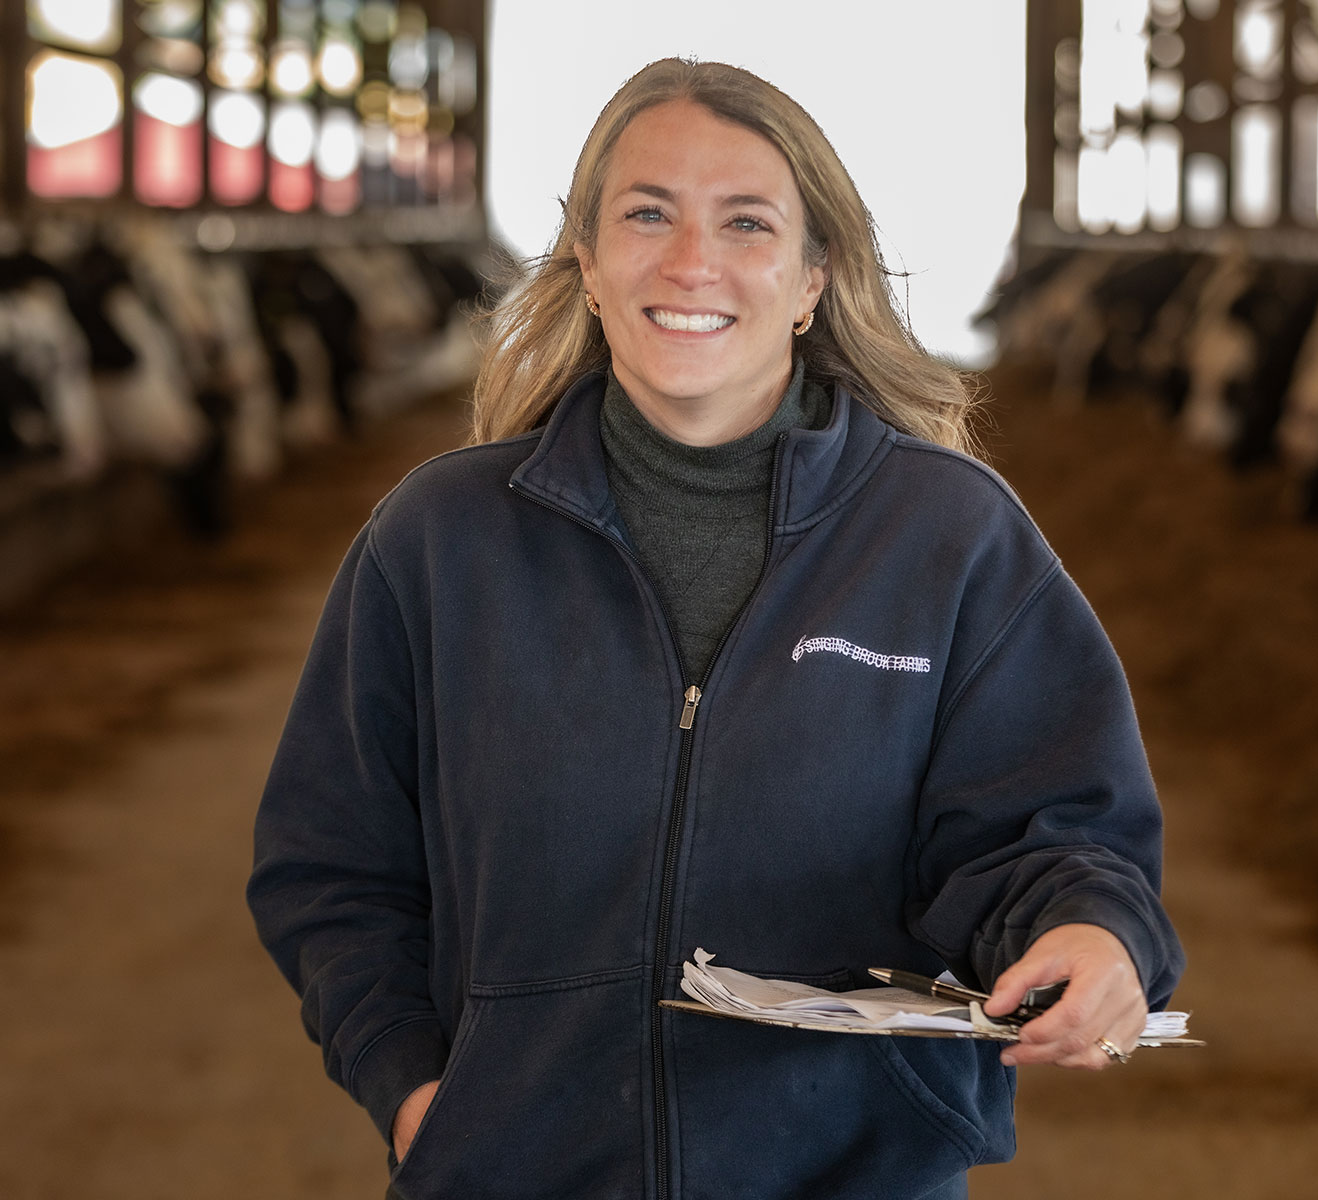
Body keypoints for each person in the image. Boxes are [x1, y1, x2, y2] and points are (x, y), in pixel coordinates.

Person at [248, 57, 1183, 1200]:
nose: (692, 262)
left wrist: (1092, 933)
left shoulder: (947, 535)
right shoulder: (441, 541)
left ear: (810, 277)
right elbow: (332, 862)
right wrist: (411, 1086)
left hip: (849, 1174)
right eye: (647, 214)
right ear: (588, 264)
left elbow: (1051, 829)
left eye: (746, 222)